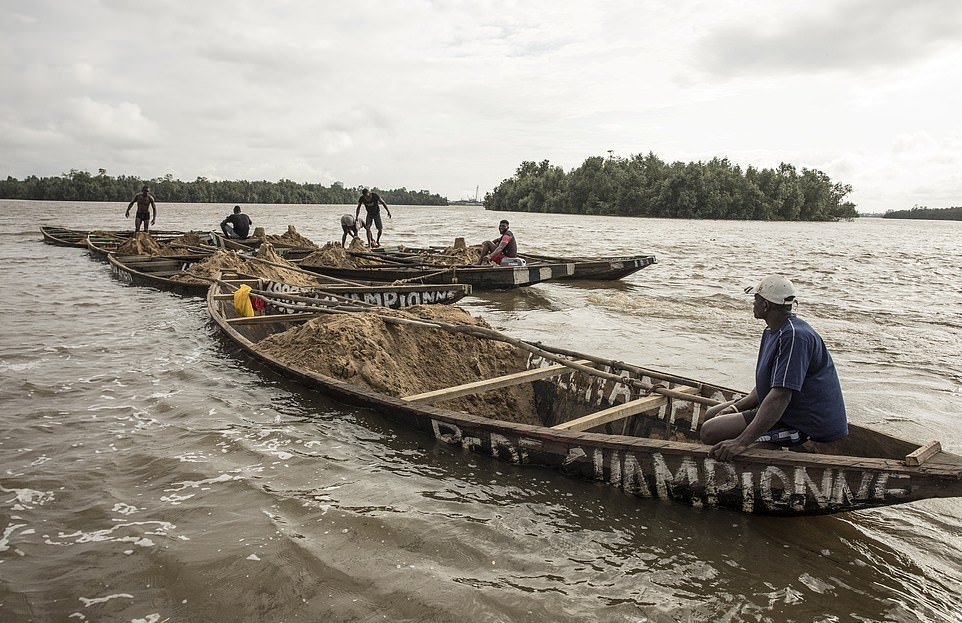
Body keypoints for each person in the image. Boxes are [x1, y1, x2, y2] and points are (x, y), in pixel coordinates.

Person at [701, 275, 847, 461]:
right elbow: (763, 388)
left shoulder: (795, 336)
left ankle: (765, 445)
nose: (753, 303)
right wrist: (735, 408)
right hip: (784, 411)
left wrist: (741, 442)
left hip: (802, 423)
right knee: (711, 415)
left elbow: (781, 395)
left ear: (766, 306)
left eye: (756, 299)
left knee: (709, 432)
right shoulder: (773, 331)